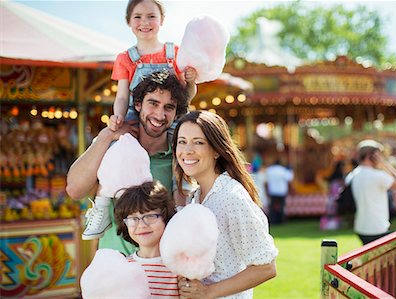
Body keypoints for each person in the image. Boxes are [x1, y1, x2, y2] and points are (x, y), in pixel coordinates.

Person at [66, 71, 189, 254]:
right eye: (153, 103)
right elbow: (75, 190)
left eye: (169, 107)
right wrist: (108, 134)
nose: (159, 114)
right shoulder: (113, 147)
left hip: (161, 269)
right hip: (116, 268)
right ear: (138, 104)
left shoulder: (180, 158)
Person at [173, 111, 278, 299]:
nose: (187, 150)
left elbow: (266, 267)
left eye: (198, 142)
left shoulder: (231, 197)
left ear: (216, 150)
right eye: (182, 141)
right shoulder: (196, 197)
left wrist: (207, 292)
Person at [110, 0, 197, 131]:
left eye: (151, 16)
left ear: (162, 19)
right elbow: (122, 97)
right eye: (138, 17)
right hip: (136, 121)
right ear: (128, 21)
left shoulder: (176, 53)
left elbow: (186, 96)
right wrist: (118, 117)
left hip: (171, 121)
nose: (145, 22)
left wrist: (191, 82)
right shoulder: (124, 58)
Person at [115, 181, 180, 298]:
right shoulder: (123, 267)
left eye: (150, 216)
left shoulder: (180, 266)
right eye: (133, 219)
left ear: (165, 218)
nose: (141, 225)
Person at [346, 140, 396, 245]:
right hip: (377, 227)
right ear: (372, 155)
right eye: (379, 154)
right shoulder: (377, 176)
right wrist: (384, 164)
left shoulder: (353, 174)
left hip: (361, 227)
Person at [265, 159, 294, 225]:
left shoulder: (270, 170)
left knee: (272, 207)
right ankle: (281, 220)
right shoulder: (283, 170)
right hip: (281, 191)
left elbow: (266, 180)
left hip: (273, 191)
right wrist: (291, 170)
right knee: (282, 206)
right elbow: (290, 178)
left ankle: (272, 220)